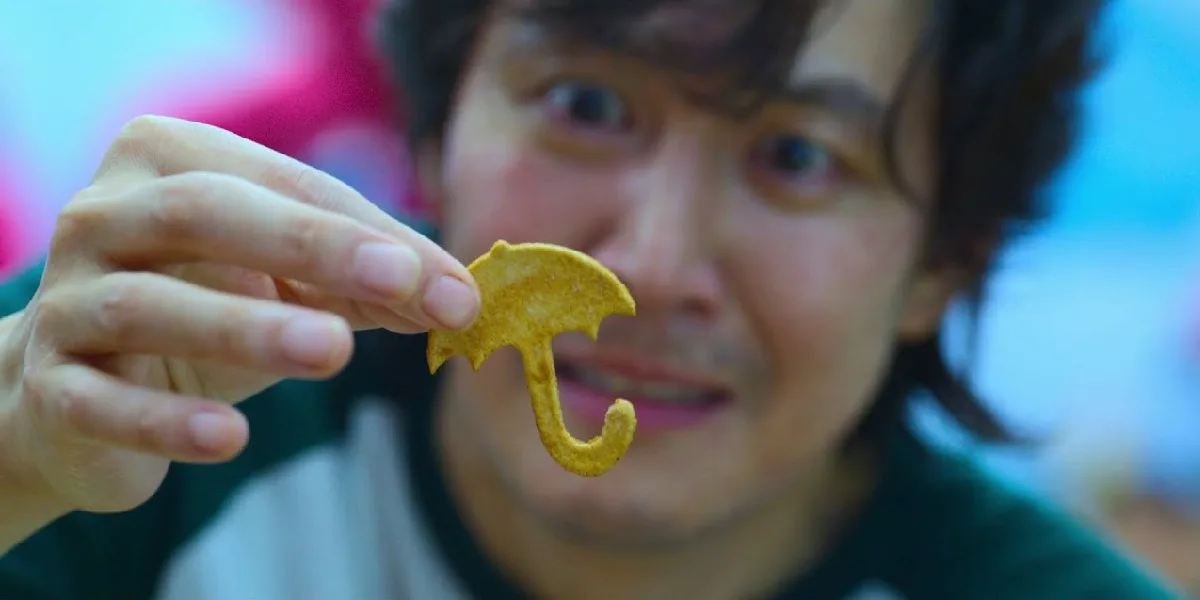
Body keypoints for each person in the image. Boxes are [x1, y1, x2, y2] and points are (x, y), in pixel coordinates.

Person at [0, 0, 1182, 598]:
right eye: (587, 105)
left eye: (799, 157)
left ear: (947, 263)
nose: (651, 267)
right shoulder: (145, 419)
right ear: (435, 132)